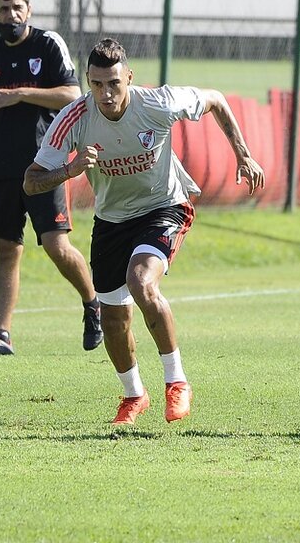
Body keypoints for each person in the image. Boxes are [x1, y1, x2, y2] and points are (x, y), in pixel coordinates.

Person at [24, 38, 265, 425]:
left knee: (142, 282)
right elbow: (31, 182)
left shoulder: (157, 103)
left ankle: (177, 382)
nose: (106, 93)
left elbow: (216, 99)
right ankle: (134, 395)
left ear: (129, 78)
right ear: (88, 80)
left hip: (164, 207)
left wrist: (243, 154)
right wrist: (68, 171)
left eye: (114, 84)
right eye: (97, 84)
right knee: (114, 317)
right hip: (111, 221)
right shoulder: (73, 118)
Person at [0, 0, 102, 356]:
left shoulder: (47, 44)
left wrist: (19, 93)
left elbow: (72, 94)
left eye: (17, 8)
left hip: (46, 166)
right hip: (4, 168)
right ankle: (2, 335)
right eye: (4, 9)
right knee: (7, 250)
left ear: (29, 9)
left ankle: (93, 304)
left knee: (56, 245)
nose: (12, 15)